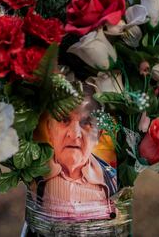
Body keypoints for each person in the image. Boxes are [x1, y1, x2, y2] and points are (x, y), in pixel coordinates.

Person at [32, 86, 117, 220]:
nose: (74, 134)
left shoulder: (112, 180)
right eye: (64, 120)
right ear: (49, 128)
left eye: (86, 123)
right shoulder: (33, 175)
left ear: (98, 135)